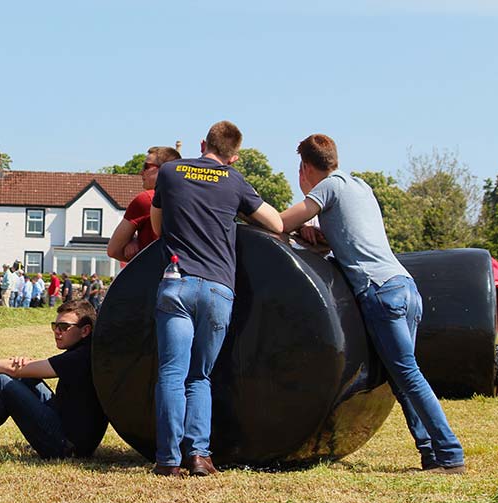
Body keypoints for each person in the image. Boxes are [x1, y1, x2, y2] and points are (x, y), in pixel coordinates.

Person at [279, 134, 465, 474]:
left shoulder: (328, 187)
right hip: (403, 285)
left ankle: (451, 454)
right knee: (400, 376)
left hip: (380, 292)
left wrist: (289, 226)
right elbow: (353, 240)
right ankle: (431, 454)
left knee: (408, 374)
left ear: (304, 167)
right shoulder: (359, 186)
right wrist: (319, 236)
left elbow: (279, 223)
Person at [149, 121, 283, 477]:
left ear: (202, 143)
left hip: (176, 285)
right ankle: (199, 456)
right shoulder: (234, 181)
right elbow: (276, 223)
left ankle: (167, 460)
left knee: (171, 374)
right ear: (234, 157)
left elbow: (157, 228)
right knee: (200, 377)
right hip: (217, 289)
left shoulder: (170, 171)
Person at [0, 300, 108, 459]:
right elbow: (30, 369)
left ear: (85, 330)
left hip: (67, 447)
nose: (57, 331)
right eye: (55, 325)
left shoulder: (80, 357)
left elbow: (14, 371)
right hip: (75, 436)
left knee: (3, 383)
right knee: (25, 379)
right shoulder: (87, 351)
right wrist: (24, 365)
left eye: (63, 327)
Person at [108, 146, 182, 262]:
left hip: (154, 275)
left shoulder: (146, 199)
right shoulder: (191, 197)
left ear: (163, 169)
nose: (141, 171)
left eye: (146, 166)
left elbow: (113, 250)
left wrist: (136, 248)